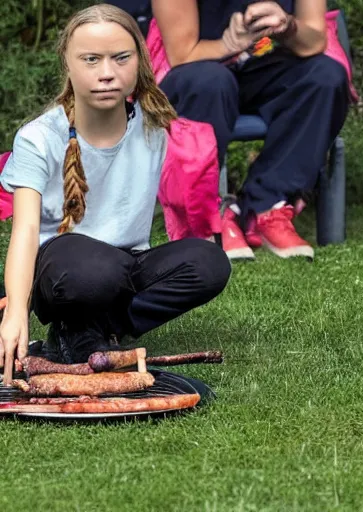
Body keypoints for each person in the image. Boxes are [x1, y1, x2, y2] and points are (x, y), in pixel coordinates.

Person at [0, 4, 231, 385]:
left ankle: (90, 332)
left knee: (208, 262)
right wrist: (15, 315)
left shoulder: (156, 128)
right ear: (68, 66)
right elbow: (24, 231)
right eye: (90, 60)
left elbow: (190, 184)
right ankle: (73, 324)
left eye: (120, 58)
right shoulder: (39, 137)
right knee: (93, 269)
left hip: (126, 265)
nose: (106, 73)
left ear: (138, 62)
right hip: (62, 270)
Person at [152, 0, 351, 261]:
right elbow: (181, 53)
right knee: (211, 82)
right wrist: (228, 44)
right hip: (196, 65)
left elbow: (313, 41)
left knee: (326, 76)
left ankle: (267, 204)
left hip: (267, 66)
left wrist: (286, 25)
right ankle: (208, 215)